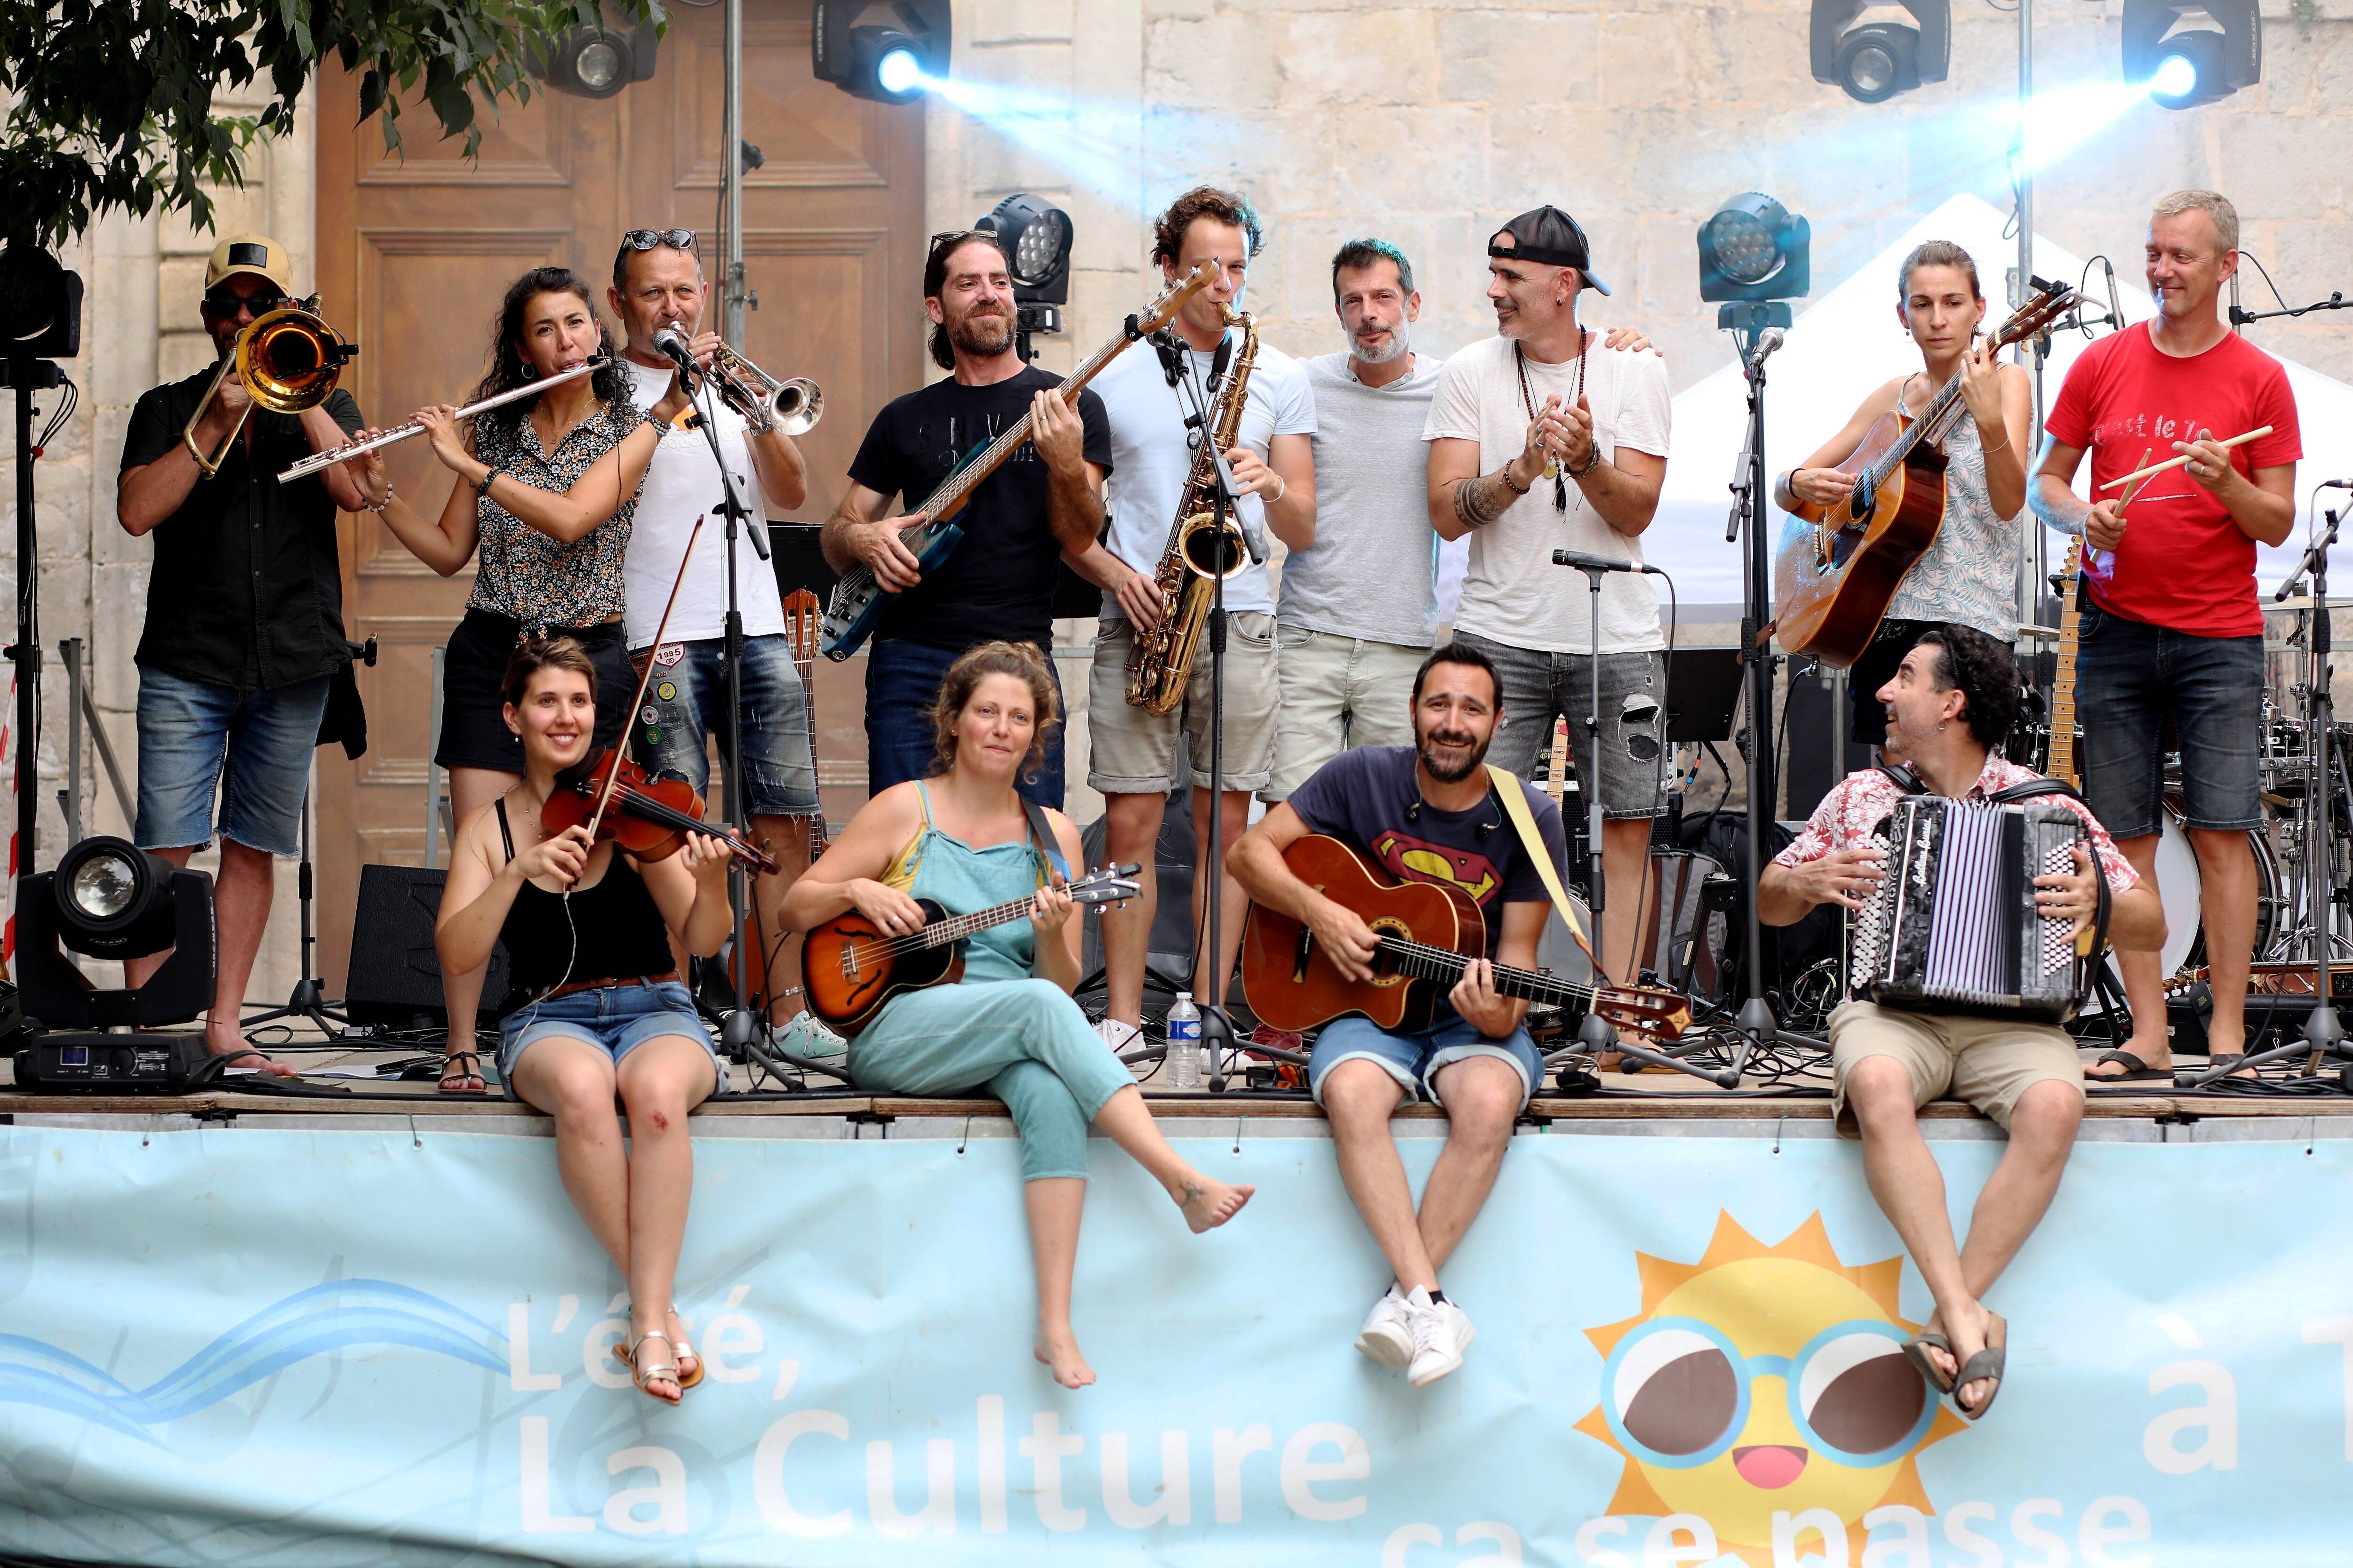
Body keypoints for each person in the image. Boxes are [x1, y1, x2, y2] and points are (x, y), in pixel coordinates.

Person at [782, 641, 1253, 1388]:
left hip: (1006, 1028)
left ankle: (1056, 1325)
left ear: (1037, 737)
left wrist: (1046, 932)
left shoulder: (1055, 839)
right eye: (988, 712)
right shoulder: (908, 807)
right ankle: (1175, 1177)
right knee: (1033, 1013)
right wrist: (856, 893)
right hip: (899, 1028)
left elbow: (1057, 982)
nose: (1002, 728)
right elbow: (793, 905)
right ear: (957, 722)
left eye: (1020, 718)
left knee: (1049, 1092)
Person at [1757, 626, 2162, 1420]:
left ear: (1952, 704)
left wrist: (2098, 905)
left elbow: (2149, 920)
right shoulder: (1860, 797)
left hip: (2013, 1025)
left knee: (2056, 1102)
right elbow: (1772, 901)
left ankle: (1951, 1315)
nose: (1883, 690)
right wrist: (1806, 880)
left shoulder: (2046, 804)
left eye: (1904, 677)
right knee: (1876, 1081)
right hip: (1892, 1013)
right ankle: (1969, 1316)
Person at [352, 264, 680, 1093]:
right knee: (484, 846)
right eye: (546, 330)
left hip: (589, 661)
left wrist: (464, 463)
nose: (567, 340)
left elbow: (573, 517)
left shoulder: (633, 426)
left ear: (596, 334)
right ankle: (463, 1042)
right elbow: (449, 555)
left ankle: (622, 1012)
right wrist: (383, 495)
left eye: (577, 324)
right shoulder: (494, 431)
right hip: (493, 652)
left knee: (612, 839)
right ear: (524, 349)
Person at [1228, 642, 1562, 1389]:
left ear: (1498, 722)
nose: (1453, 723)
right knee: (1350, 1093)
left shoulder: (1531, 815)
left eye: (1472, 709)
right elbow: (1249, 854)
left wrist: (1501, 1015)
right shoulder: (1361, 776)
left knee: (1488, 1101)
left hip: (1464, 1020)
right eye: (1439, 704)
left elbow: (1518, 959)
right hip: (1363, 1007)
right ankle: (1434, 1304)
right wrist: (1322, 912)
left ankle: (1405, 1302)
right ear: (1413, 710)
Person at [2030, 189, 2299, 1082]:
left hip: (2219, 637)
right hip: (2114, 630)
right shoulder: (2102, 362)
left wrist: (2228, 484)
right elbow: (2047, 484)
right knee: (2125, 838)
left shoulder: (2260, 378)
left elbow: (2275, 524)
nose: (2161, 270)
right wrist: (2085, 513)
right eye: (2153, 252)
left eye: (2181, 255)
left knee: (2224, 833)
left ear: (2226, 265)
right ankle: (2147, 1033)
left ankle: (2226, 1037)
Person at [435, 636, 736, 1404]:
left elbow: (704, 940)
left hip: (656, 1004)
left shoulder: (629, 809)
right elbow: (460, 951)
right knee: (581, 1086)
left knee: (659, 1099)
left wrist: (711, 887)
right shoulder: (490, 830)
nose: (567, 716)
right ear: (513, 715)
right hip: (549, 1016)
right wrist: (514, 873)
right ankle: (658, 1313)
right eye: (547, 701)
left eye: (580, 701)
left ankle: (646, 1313)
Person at [116, 233, 375, 1074]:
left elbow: (357, 490)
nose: (242, 317)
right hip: (190, 657)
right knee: (165, 844)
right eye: (229, 305)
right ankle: (156, 1028)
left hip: (293, 658)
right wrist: (216, 421)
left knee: (254, 844)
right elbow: (137, 513)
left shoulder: (329, 402)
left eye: (260, 304)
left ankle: (226, 1027)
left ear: (286, 311)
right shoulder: (167, 404)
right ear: (206, 317)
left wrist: (297, 385)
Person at [1083, 185, 1318, 1054]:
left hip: (1242, 614)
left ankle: (1207, 1009)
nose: (1224, 286)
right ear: (1168, 271)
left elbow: (1300, 527)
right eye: (1206, 269)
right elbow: (1075, 522)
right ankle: (1118, 1020)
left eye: (1238, 269)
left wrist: (1274, 485)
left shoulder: (1279, 374)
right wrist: (1117, 576)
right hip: (1142, 614)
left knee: (1230, 823)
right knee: (1132, 823)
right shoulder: (1113, 370)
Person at [1424, 205, 1669, 1003]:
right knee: (1473, 822)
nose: (1494, 291)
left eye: (1510, 278)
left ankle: (1626, 1013)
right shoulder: (1470, 371)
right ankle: (1478, 999)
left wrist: (1588, 456)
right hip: (1500, 636)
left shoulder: (1637, 371)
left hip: (1617, 632)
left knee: (1627, 830)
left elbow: (1635, 513)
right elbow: (1445, 511)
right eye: (1493, 275)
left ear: (1565, 287)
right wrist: (1523, 469)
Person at [606, 228, 821, 1024]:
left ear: (705, 296)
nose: (672, 306)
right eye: (654, 292)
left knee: (784, 821)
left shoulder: (733, 390)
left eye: (685, 291)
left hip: (757, 627)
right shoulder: (604, 392)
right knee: (678, 832)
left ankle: (790, 1015)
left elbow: (794, 494)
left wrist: (755, 412)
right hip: (656, 636)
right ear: (619, 302)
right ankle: (683, 1011)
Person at [825, 228, 1113, 808]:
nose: (989, 294)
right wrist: (865, 536)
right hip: (910, 659)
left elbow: (1081, 534)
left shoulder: (1068, 404)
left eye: (1000, 282)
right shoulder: (903, 417)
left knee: (1027, 844)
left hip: (1020, 656)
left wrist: (1063, 466)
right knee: (904, 843)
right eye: (969, 283)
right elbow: (838, 534)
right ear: (936, 307)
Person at [1777, 240, 2034, 749]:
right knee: (1893, 794)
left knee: (1960, 794)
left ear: (1979, 310)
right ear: (1903, 314)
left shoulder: (2007, 381)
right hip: (1881, 617)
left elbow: (2008, 503)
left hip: (1971, 623)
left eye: (1952, 302)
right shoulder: (1889, 398)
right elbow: (1793, 491)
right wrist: (1793, 483)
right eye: (1922, 304)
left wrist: (1986, 422)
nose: (1937, 319)